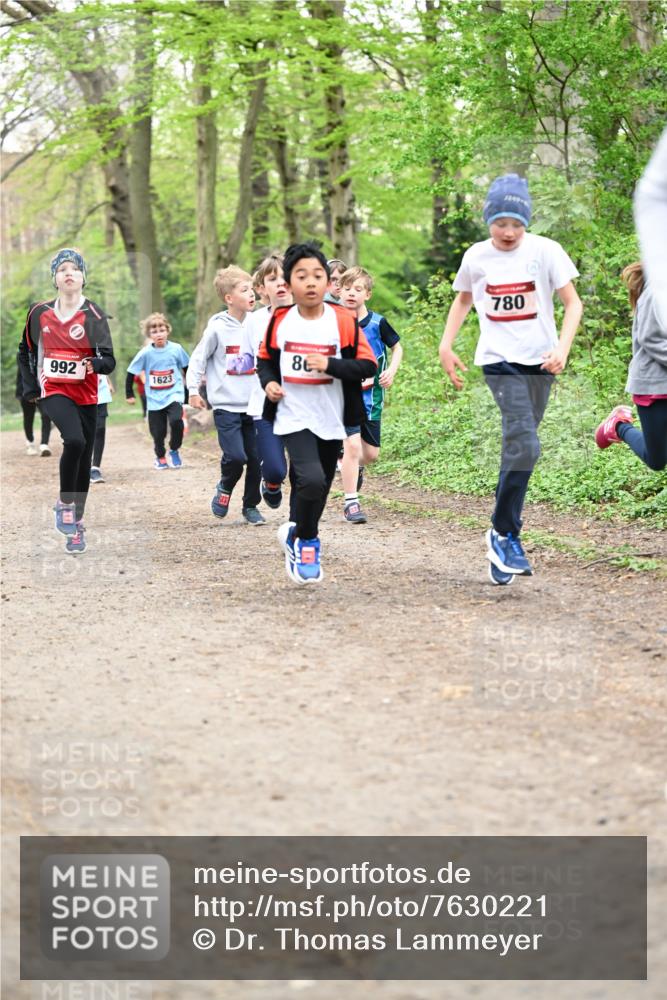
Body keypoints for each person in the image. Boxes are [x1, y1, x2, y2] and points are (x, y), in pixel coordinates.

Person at [439, 174, 582, 585]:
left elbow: (573, 304)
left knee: (520, 449)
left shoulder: (546, 251)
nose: (508, 232)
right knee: (525, 443)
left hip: (540, 363)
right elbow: (463, 298)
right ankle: (506, 535)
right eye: (500, 222)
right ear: (488, 220)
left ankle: (500, 534)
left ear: (527, 222)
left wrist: (562, 349)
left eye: (516, 223)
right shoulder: (477, 256)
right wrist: (446, 345)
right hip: (498, 362)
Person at [257, 241, 377, 584]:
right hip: (292, 415)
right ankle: (308, 542)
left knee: (320, 483)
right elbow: (265, 361)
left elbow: (366, 365)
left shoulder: (341, 320)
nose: (310, 282)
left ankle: (297, 532)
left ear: (328, 283)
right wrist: (269, 384)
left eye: (317, 275)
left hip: (332, 416)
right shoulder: (280, 320)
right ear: (289, 284)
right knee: (309, 478)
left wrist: (331, 365)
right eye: (301, 276)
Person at [17, 247, 116, 554]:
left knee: (84, 459)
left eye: (74, 269)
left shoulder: (94, 314)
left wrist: (95, 365)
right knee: (73, 441)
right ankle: (64, 502)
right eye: (62, 270)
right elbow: (26, 351)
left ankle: (77, 525)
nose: (68, 273)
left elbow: (109, 359)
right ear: (55, 279)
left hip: (86, 393)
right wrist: (30, 387)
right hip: (54, 390)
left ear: (83, 277)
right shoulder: (39, 313)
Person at [187, 266, 265, 524]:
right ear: (229, 298)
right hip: (226, 405)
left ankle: (251, 506)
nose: (252, 294)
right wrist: (192, 390)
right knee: (236, 457)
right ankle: (225, 485)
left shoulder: (261, 324)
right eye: (244, 290)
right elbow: (198, 359)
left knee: (256, 459)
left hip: (255, 404)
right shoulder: (217, 329)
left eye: (252, 289)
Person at [338, 266, 403, 523]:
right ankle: (351, 503)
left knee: (371, 454)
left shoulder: (378, 323)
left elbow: (397, 347)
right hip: (344, 397)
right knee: (352, 446)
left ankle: (353, 465)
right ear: (340, 292)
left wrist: (392, 371)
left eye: (358, 289)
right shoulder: (334, 321)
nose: (352, 293)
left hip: (372, 398)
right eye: (347, 289)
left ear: (368, 294)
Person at [594, 263, 667, 471]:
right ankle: (618, 426)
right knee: (657, 460)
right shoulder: (657, 289)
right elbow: (650, 338)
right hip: (654, 386)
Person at [240, 253, 292, 511]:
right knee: (274, 468)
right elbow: (244, 357)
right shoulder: (254, 321)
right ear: (261, 288)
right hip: (265, 406)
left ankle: (301, 522)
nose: (281, 283)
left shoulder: (311, 315)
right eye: (273, 279)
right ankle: (271, 483)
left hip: (303, 404)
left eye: (286, 277)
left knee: (306, 470)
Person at [126, 313, 189, 469]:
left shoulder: (176, 349)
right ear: (149, 335)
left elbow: (187, 368)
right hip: (154, 398)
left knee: (176, 421)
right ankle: (160, 456)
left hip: (174, 394)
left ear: (167, 331)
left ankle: (174, 449)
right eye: (154, 332)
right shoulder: (145, 353)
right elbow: (131, 372)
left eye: (162, 330)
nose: (159, 334)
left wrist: (190, 391)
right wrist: (129, 393)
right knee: (158, 432)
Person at [16, 356, 51, 456]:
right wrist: (19, 393)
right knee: (28, 417)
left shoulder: (44, 351)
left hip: (43, 390)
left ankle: (44, 444)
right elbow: (21, 374)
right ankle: (30, 442)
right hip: (26, 390)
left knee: (46, 415)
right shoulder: (22, 353)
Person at [90, 374, 113, 483]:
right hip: (79, 390)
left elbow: (103, 360)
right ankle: (84, 464)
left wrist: (108, 381)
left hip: (101, 391)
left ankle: (95, 468)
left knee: (100, 429)